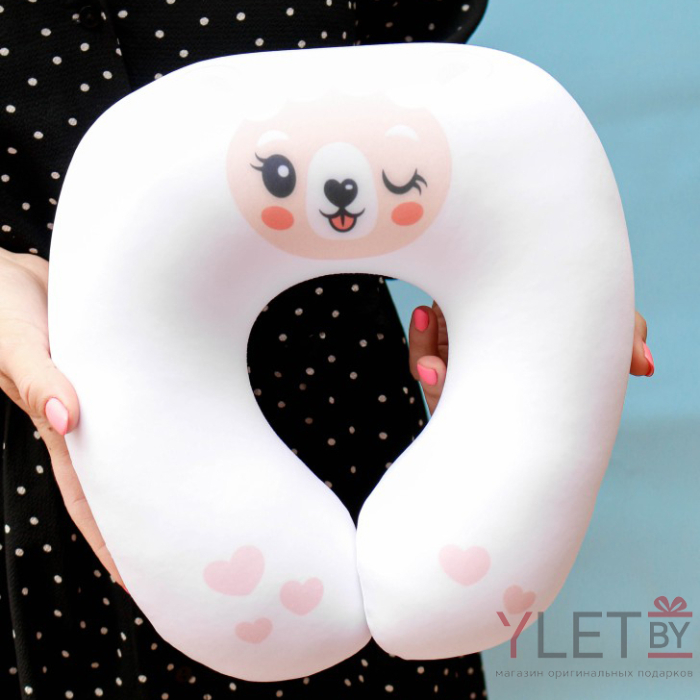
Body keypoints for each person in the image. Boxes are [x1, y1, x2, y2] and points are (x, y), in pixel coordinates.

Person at [0, 2, 654, 698]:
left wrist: (531, 309)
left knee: (424, 598)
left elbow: (439, 129)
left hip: (350, 410)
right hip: (54, 436)